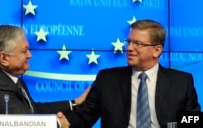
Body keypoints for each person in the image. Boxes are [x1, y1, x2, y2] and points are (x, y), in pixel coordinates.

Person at [59, 19, 201, 128]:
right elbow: (84, 116)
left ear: (157, 50)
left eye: (138, 44)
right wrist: (63, 122)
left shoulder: (181, 82)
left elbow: (192, 120)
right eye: (129, 42)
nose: (130, 48)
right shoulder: (107, 80)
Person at [0, 25, 90, 128]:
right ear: (4, 58)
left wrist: (74, 103)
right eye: (24, 51)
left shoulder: (10, 79)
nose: (30, 55)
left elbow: (34, 110)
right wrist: (58, 123)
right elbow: (23, 123)